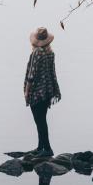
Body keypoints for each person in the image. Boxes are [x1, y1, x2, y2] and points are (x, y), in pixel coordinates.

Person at [24, 27, 61, 156]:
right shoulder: (50, 53)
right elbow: (53, 73)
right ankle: (40, 147)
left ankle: (47, 149)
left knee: (39, 121)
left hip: (37, 93)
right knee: (42, 120)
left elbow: (31, 75)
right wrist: (55, 90)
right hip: (47, 92)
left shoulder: (37, 53)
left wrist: (27, 92)